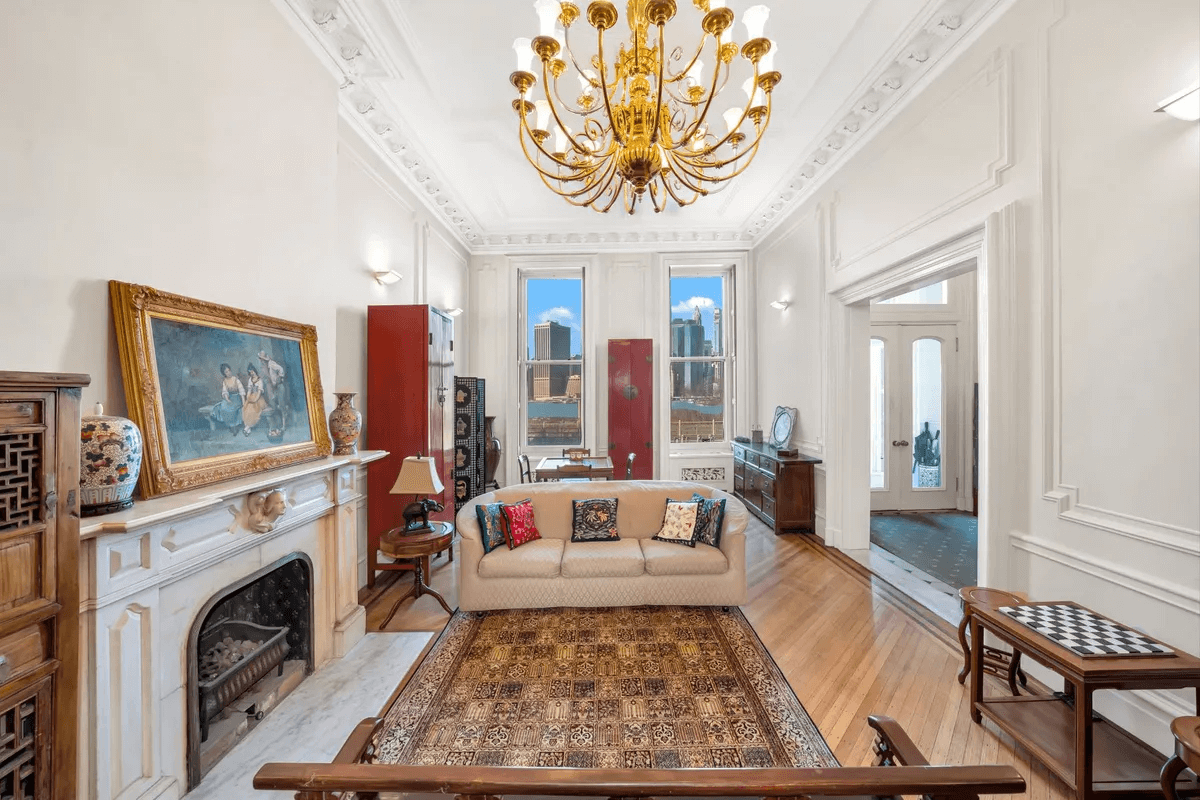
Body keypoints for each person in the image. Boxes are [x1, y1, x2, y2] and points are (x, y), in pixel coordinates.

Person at [257, 350, 291, 432]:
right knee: (274, 406)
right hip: (273, 388)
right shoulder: (264, 367)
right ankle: (276, 426)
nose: (261, 360)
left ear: (264, 359)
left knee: (282, 406)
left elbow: (281, 369)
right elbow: (265, 376)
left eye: (261, 359)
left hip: (279, 387)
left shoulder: (271, 364)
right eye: (260, 359)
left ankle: (284, 425)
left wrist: (280, 377)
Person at [209, 363, 245, 434]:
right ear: (224, 373)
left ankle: (235, 427)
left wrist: (243, 401)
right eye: (226, 372)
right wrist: (227, 399)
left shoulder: (235, 379)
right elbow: (225, 391)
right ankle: (230, 426)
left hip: (236, 398)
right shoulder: (225, 381)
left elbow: (241, 389)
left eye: (229, 371)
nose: (229, 373)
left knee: (233, 409)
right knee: (223, 407)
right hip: (229, 397)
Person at [242, 363, 268, 435]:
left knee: (253, 410)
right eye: (250, 373)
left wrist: (255, 400)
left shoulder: (260, 380)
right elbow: (249, 390)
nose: (252, 373)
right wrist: (248, 398)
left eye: (252, 372)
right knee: (246, 408)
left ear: (255, 371)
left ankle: (246, 428)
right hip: (252, 396)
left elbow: (259, 392)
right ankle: (248, 428)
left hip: (258, 398)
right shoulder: (250, 380)